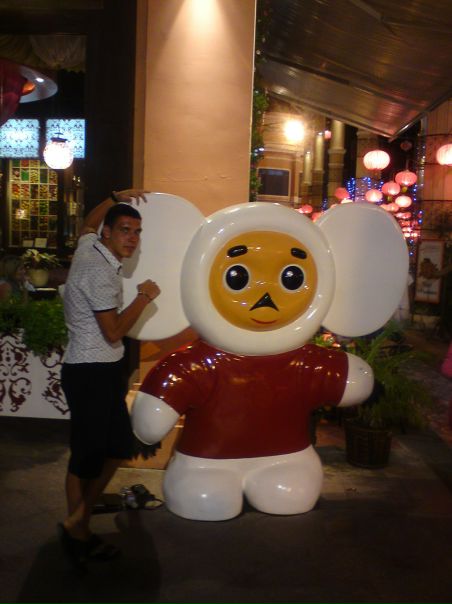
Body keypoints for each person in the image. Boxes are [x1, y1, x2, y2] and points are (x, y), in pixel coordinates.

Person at [58, 188, 160, 569]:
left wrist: (115, 197)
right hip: (90, 373)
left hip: (97, 370)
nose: (132, 239)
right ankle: (79, 531)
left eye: (136, 232)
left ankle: (78, 520)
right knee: (87, 456)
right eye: (124, 231)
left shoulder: (90, 246)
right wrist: (143, 297)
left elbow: (86, 223)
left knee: (115, 446)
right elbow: (114, 331)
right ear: (108, 233)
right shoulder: (99, 271)